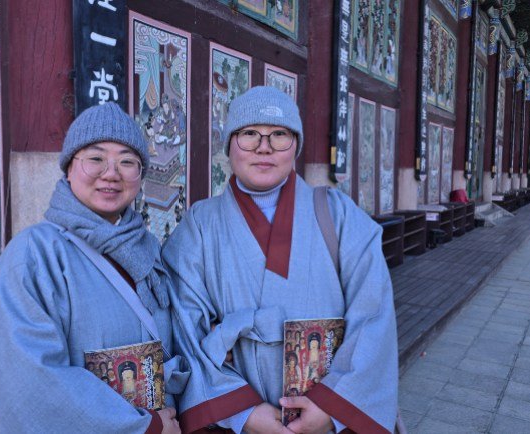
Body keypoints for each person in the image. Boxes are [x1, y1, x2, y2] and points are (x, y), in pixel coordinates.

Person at [163, 86, 398, 434]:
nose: (264, 147)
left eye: (279, 135)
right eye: (249, 134)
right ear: (229, 145)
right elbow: (184, 326)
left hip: (327, 416)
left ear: (295, 146)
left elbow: (373, 313)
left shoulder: (338, 214)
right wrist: (242, 412)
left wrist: (331, 407)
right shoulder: (199, 225)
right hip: (239, 419)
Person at [0, 102, 185, 434]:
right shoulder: (34, 255)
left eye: (127, 161)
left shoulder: (147, 249)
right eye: (96, 158)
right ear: (69, 167)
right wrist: (140, 428)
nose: (112, 173)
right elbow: (29, 381)